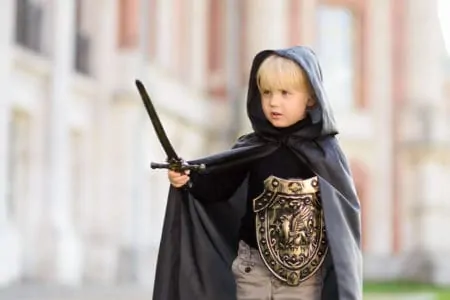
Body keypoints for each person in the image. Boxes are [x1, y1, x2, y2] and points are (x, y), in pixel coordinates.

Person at [152, 46, 362, 300]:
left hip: (304, 275)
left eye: (285, 93)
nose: (274, 101)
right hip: (253, 270)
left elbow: (341, 219)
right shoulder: (252, 147)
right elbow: (219, 187)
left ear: (311, 98)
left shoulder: (325, 154)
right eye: (266, 92)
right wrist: (189, 179)